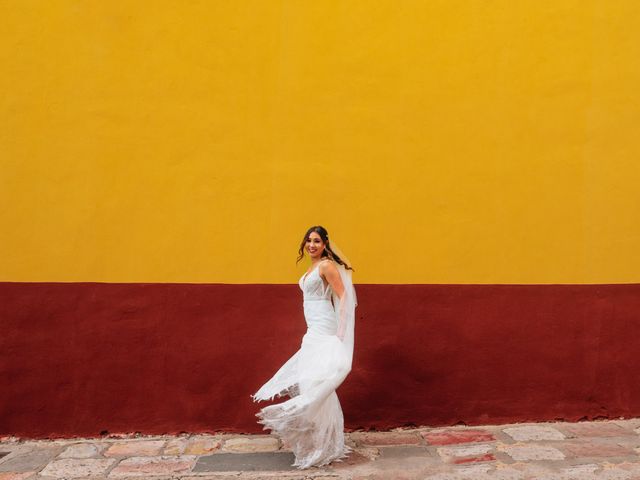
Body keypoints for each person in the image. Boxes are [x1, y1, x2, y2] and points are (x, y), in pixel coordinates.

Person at [251, 225, 358, 469]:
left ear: (325, 244)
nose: (312, 245)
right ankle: (321, 441)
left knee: (317, 382)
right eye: (309, 240)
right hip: (312, 331)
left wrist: (340, 330)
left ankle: (316, 438)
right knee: (313, 382)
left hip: (325, 328)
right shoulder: (312, 267)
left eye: (317, 241)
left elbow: (343, 297)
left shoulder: (327, 266)